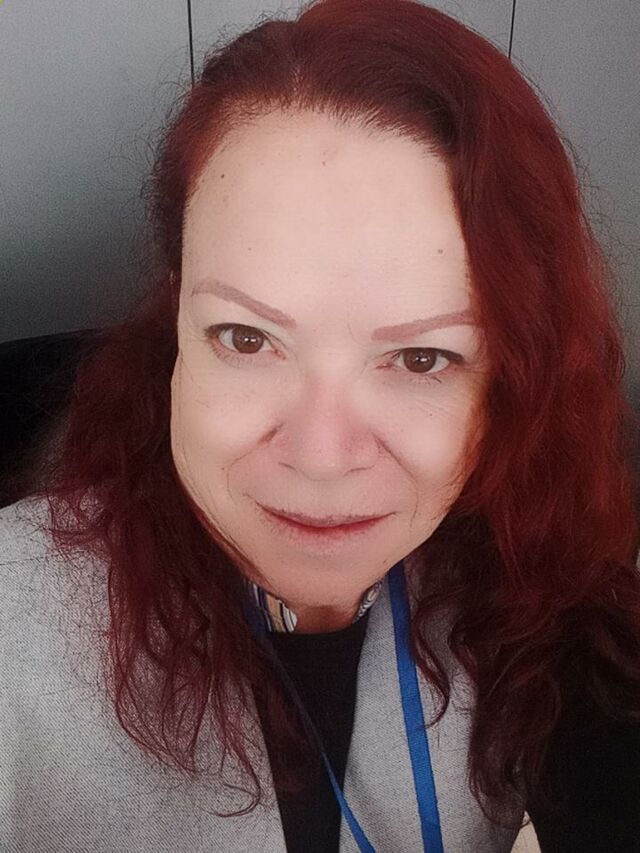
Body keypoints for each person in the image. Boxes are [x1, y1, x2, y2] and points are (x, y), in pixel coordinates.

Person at [2, 0, 639, 851]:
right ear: (176, 319)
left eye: (421, 357)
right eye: (246, 338)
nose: (321, 456)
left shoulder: (524, 579)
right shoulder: (18, 624)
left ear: (508, 375)